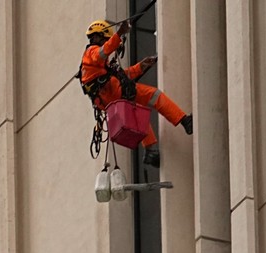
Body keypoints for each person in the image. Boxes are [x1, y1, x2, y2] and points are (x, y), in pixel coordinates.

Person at [80, 18, 192, 154]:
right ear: (97, 37)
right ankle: (184, 120)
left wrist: (141, 66)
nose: (106, 43)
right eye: (105, 39)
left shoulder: (98, 67)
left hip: (108, 96)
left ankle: (150, 151)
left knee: (138, 109)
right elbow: (102, 52)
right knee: (154, 95)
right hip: (111, 92)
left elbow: (121, 75)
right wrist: (119, 34)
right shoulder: (91, 52)